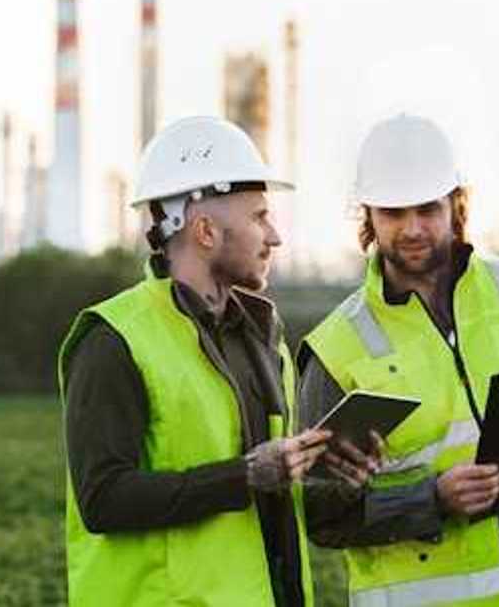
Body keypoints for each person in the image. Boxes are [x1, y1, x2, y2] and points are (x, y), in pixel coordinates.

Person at [298, 114, 499, 606]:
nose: (412, 229)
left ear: (456, 203)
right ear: (367, 217)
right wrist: (431, 500)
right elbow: (322, 514)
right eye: (392, 213)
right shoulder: (338, 347)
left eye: (427, 208)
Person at [57, 116, 331, 606]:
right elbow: (102, 499)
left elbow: (273, 490)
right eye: (258, 217)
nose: (274, 236)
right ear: (205, 230)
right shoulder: (113, 340)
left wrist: (331, 467)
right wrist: (243, 476)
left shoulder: (263, 337)